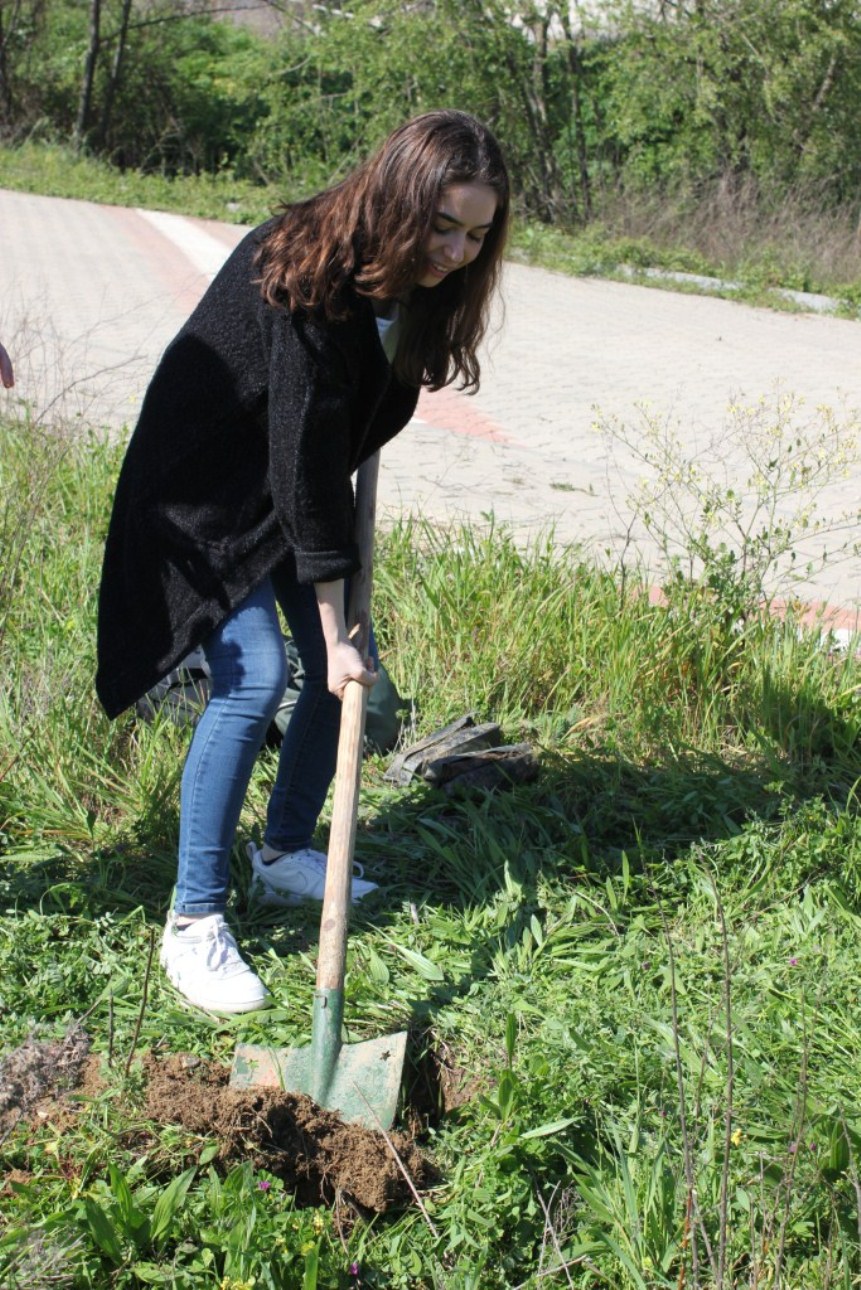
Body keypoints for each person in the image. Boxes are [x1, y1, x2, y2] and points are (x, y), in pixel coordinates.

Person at [96, 109, 510, 1013]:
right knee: (259, 678)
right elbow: (302, 459)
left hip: (286, 498)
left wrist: (343, 632)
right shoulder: (309, 269)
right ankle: (194, 920)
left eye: (477, 234)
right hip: (202, 500)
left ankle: (281, 851)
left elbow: (334, 445)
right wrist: (335, 626)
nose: (456, 251)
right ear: (399, 197)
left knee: (348, 678)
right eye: (442, 225)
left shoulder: (410, 283)